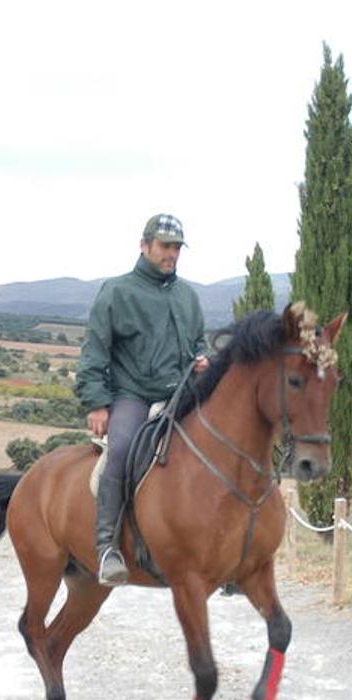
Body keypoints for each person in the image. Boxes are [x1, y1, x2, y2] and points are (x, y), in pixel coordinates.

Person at [75, 213, 210, 585]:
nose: (172, 254)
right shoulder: (117, 291)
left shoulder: (187, 296)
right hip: (131, 394)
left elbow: (199, 343)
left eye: (177, 248)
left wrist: (202, 360)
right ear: (144, 245)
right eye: (166, 246)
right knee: (120, 450)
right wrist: (97, 403)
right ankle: (106, 548)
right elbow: (94, 353)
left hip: (181, 394)